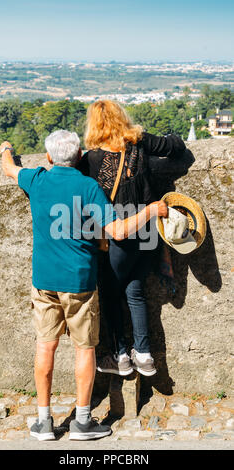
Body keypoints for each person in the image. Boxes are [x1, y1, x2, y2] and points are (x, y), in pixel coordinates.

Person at [0, 130, 167, 441]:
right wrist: (151, 210)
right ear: (79, 157)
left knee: (45, 347)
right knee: (84, 349)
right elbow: (117, 231)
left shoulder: (36, 179)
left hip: (44, 281)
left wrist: (6, 148)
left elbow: (9, 168)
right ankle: (83, 421)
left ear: (49, 158)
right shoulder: (88, 186)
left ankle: (44, 421)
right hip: (79, 281)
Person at [78, 100, 186, 377]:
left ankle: (122, 354)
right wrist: (174, 137)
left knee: (113, 294)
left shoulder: (90, 160)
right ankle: (145, 354)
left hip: (118, 236)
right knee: (135, 292)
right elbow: (175, 147)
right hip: (148, 230)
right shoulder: (139, 142)